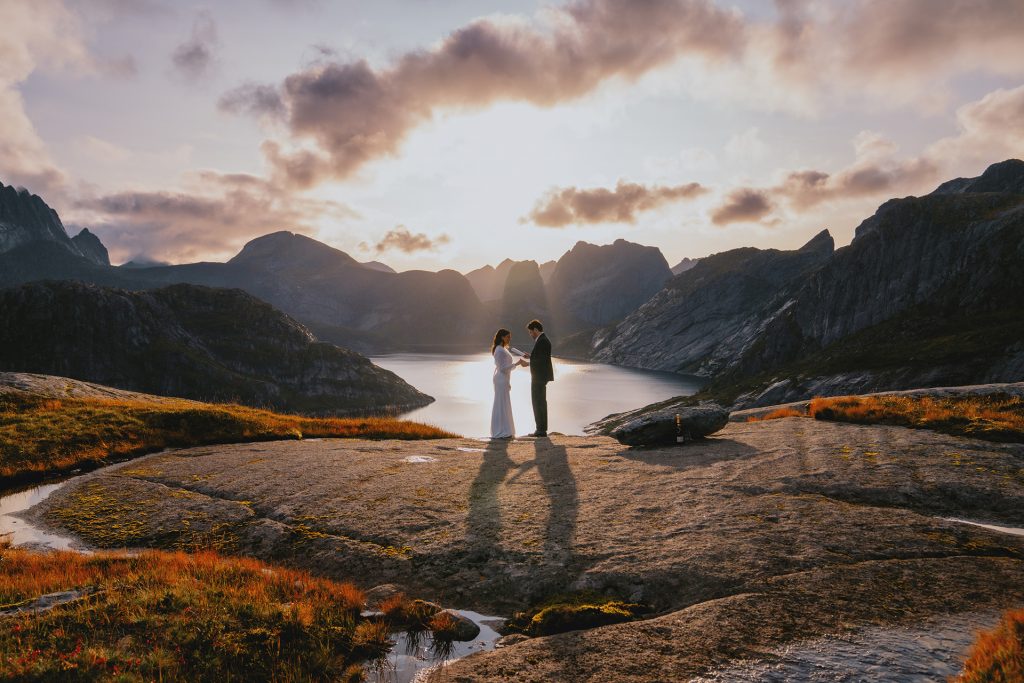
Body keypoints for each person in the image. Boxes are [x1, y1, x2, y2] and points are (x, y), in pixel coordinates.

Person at [490, 328, 528, 439]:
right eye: (507, 337)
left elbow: (505, 369)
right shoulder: (499, 350)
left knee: (503, 403)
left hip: (503, 379)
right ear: (502, 337)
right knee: (500, 404)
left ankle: (505, 430)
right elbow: (502, 368)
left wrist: (508, 381)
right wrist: (518, 363)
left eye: (510, 337)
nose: (509, 339)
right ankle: (500, 431)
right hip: (500, 379)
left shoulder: (502, 349)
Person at [522, 319, 554, 437]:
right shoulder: (543, 340)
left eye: (531, 332)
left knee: (538, 402)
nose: (530, 334)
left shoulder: (542, 341)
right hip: (540, 376)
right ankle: (541, 429)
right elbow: (540, 358)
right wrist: (531, 356)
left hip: (539, 377)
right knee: (540, 402)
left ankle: (540, 430)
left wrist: (528, 363)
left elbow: (541, 360)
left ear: (536, 329)